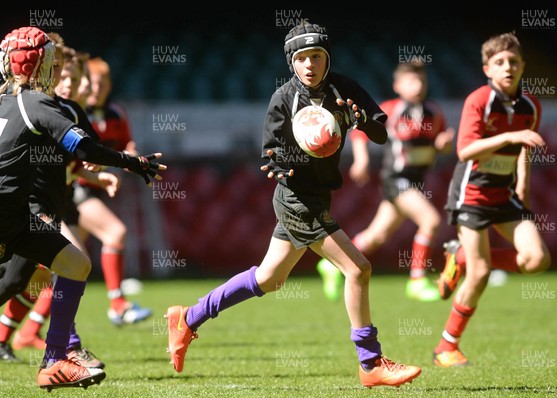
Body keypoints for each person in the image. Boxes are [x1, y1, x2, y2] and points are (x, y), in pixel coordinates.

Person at [164, 21, 422, 389]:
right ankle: (371, 362)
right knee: (358, 269)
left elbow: (381, 132)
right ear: (291, 62)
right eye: (301, 58)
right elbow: (269, 152)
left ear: (326, 58)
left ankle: (188, 318)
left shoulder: (344, 88)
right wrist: (279, 165)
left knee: (269, 279)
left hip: (318, 195)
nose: (309, 64)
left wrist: (361, 120)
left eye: (316, 56)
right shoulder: (283, 99)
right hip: (296, 198)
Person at [0, 26, 165, 390]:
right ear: (44, 66)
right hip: (12, 212)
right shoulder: (37, 103)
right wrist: (133, 163)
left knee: (73, 264)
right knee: (16, 281)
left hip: (17, 214)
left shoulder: (7, 102)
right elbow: (86, 148)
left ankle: (55, 359)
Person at [433, 32, 551, 367]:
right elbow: (464, 150)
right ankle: (446, 347)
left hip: (505, 195)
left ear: (523, 66)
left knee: (537, 259)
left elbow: (524, 148)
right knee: (482, 275)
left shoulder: (531, 106)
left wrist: (524, 181)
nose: (508, 67)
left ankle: (464, 259)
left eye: (514, 61)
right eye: (500, 62)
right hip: (471, 193)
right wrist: (510, 135)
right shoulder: (479, 100)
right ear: (488, 69)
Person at [0, 37, 116, 369]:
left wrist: (97, 173)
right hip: (31, 207)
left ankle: (28, 343)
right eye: (64, 76)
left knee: (23, 280)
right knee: (66, 264)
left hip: (52, 203)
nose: (69, 83)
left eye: (75, 80)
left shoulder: (69, 111)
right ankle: (67, 349)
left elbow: (80, 157)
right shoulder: (30, 106)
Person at [316, 61, 455, 302]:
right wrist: (361, 160)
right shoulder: (391, 109)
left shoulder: (434, 112)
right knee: (431, 221)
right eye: (411, 81)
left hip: (415, 180)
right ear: (397, 85)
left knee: (376, 236)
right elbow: (361, 129)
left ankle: (332, 265)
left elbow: (438, 145)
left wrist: (443, 146)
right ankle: (417, 281)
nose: (418, 85)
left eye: (422, 80)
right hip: (396, 179)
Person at [70, 55, 152, 326]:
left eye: (103, 83)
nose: (97, 88)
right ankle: (118, 304)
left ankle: (23, 331)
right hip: (75, 189)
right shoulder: (73, 112)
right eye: (92, 82)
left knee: (62, 267)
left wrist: (132, 156)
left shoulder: (116, 113)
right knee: (115, 233)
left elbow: (128, 143)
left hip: (97, 189)